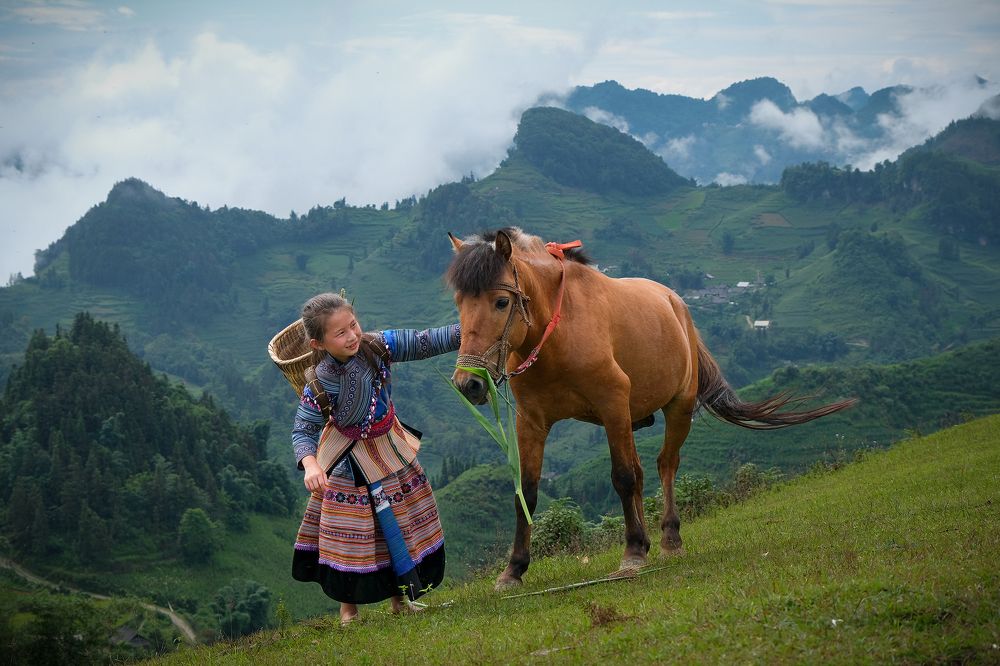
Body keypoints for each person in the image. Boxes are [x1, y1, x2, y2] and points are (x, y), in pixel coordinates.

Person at [290, 292, 460, 625]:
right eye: (340, 333)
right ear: (318, 343)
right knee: (350, 535)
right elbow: (303, 430)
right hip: (344, 460)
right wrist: (310, 464)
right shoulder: (319, 382)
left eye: (353, 325)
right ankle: (347, 609)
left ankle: (401, 599)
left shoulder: (378, 346)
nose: (352, 335)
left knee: (396, 525)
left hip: (388, 450)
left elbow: (424, 342)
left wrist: (472, 330)